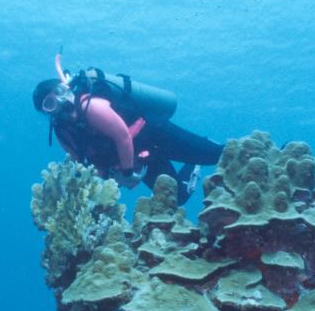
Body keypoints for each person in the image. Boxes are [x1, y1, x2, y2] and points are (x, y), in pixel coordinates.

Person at [32, 54, 224, 205]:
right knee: (176, 197)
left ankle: (214, 148)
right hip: (141, 159)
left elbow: (122, 136)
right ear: (47, 112)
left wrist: (126, 174)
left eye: (57, 93)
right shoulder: (63, 132)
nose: (58, 102)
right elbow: (83, 165)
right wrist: (108, 177)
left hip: (155, 134)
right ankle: (194, 164)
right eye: (49, 104)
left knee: (217, 155)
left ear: (64, 88)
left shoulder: (90, 106)